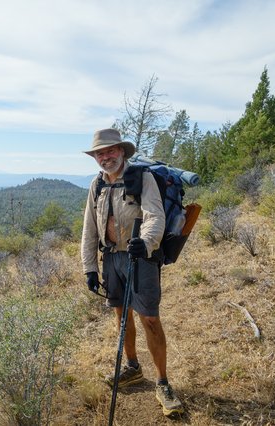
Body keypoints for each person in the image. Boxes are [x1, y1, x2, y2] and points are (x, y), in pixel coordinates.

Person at [80, 128, 183, 416]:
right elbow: (89, 229)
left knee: (149, 318)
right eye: (100, 153)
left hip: (141, 257)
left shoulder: (142, 178)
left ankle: (163, 383)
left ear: (122, 151)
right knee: (121, 315)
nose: (105, 157)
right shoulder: (96, 185)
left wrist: (147, 242)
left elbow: (155, 215)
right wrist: (89, 267)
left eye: (110, 151)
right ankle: (133, 367)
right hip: (111, 258)